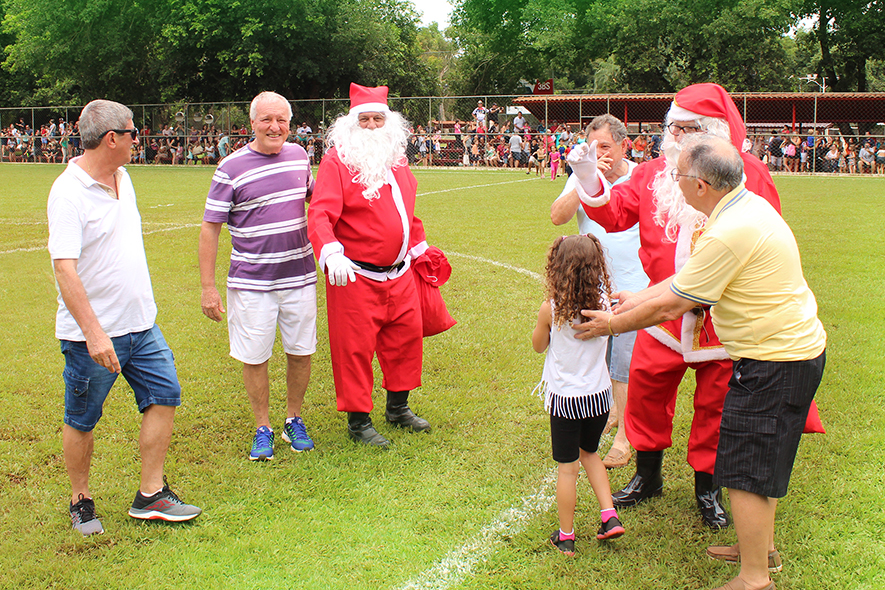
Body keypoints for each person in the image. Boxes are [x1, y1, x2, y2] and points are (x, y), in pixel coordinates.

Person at [578, 134, 826, 590]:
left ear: (700, 185)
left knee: (746, 471)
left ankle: (753, 578)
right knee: (763, 461)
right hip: (788, 353)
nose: (672, 180)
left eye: (679, 176)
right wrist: (639, 294)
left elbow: (672, 304)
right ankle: (760, 548)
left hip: (773, 360)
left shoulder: (728, 231)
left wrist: (611, 325)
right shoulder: (742, 206)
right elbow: (680, 281)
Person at [566, 83, 792, 530]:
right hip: (662, 317)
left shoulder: (749, 173)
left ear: (714, 132)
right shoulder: (653, 173)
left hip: (722, 318)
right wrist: (591, 178)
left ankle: (706, 488)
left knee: (716, 403)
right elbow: (614, 215)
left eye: (689, 129)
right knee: (647, 393)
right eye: (674, 127)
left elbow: (767, 236)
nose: (678, 137)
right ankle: (647, 476)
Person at [47, 99, 201, 536]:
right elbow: (64, 267)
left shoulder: (124, 177)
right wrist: (94, 334)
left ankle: (150, 494)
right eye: (134, 132)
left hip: (142, 325)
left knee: (165, 396)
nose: (140, 139)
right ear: (112, 138)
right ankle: (80, 499)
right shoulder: (68, 192)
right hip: (92, 337)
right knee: (82, 418)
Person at [308, 83, 433, 447]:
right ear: (351, 123)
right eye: (365, 119)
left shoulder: (397, 161)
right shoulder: (337, 162)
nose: (373, 125)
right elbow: (320, 213)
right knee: (355, 348)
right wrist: (330, 251)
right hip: (356, 274)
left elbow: (405, 212)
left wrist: (416, 246)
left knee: (404, 338)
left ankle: (398, 407)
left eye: (379, 118)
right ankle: (359, 421)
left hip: (399, 272)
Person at [199, 91, 317, 461]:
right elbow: (210, 228)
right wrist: (208, 287)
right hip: (252, 283)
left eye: (282, 120)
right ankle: (263, 426)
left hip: (299, 277)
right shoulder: (230, 167)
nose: (275, 127)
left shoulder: (300, 156)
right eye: (266, 119)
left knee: (301, 351)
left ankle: (293, 419)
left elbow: (321, 203)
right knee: (256, 356)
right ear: (252, 123)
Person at [550, 114, 648, 469]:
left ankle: (623, 438)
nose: (600, 154)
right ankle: (608, 414)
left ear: (625, 145)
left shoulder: (640, 177)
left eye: (605, 147)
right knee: (600, 360)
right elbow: (558, 217)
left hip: (634, 287)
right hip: (593, 287)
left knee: (624, 364)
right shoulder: (581, 175)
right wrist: (585, 178)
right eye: (593, 148)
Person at [532, 235, 625, 556]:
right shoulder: (605, 306)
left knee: (568, 468)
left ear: (557, 268)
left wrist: (542, 322)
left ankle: (567, 535)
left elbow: (538, 345)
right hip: (599, 398)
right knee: (591, 454)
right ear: (596, 267)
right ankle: (609, 516)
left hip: (566, 400)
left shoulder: (552, 308)